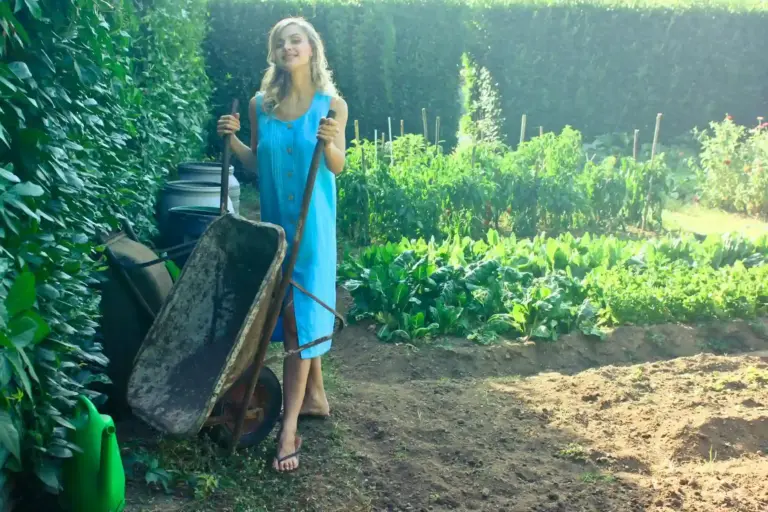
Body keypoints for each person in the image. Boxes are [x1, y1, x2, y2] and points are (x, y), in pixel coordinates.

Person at [216, 17, 348, 473]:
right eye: (280, 43)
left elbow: (337, 165)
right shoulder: (261, 105)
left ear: (312, 49)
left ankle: (288, 427)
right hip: (276, 230)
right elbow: (258, 160)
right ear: (273, 54)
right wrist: (232, 142)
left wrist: (330, 143)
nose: (288, 48)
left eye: (296, 41)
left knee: (296, 320)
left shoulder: (332, 105)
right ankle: (315, 397)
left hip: (312, 230)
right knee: (289, 313)